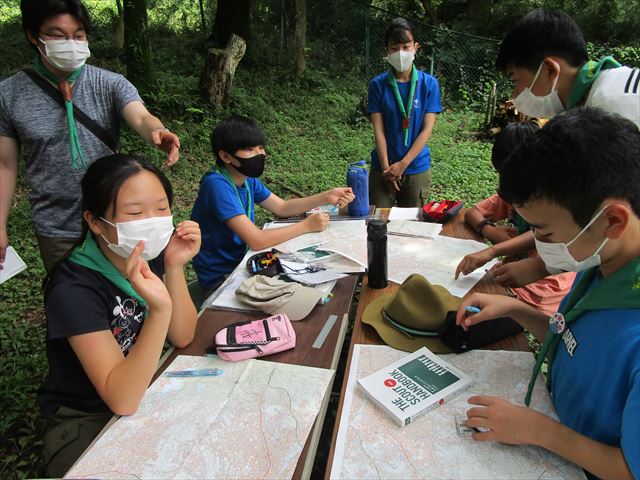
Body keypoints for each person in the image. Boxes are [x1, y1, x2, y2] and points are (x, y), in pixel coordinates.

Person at [456, 108, 640, 480]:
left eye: (546, 233)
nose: (538, 245)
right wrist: (518, 311)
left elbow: (629, 468)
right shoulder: (603, 266)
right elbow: (573, 344)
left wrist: (537, 430)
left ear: (613, 221)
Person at [37, 153, 199, 477]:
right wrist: (160, 309)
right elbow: (121, 400)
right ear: (95, 222)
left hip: (146, 389)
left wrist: (173, 264)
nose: (152, 220)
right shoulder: (73, 290)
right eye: (135, 212)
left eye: (161, 207)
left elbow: (182, 335)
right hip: (88, 416)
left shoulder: (143, 255)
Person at [0, 0, 181, 273]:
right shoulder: (9, 95)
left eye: (78, 35)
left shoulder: (109, 83)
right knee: (74, 297)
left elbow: (141, 116)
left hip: (116, 219)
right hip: (56, 225)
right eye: (58, 35)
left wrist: (156, 129)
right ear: (32, 36)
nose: (70, 42)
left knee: (133, 296)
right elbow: (5, 165)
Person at [489, 8, 640, 288]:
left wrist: (541, 264)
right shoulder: (601, 94)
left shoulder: (615, 108)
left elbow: (606, 216)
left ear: (549, 69)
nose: (514, 96)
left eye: (516, 80)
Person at [191, 115, 355, 296]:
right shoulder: (217, 184)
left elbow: (282, 207)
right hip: (222, 276)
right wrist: (306, 226)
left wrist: (326, 196)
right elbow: (257, 240)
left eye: (260, 147)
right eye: (250, 149)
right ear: (225, 156)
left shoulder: (246, 180)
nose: (260, 154)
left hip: (247, 263)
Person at [455, 121, 576, 316]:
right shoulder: (513, 192)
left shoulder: (555, 200)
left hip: (544, 286)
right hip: (521, 271)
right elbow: (472, 212)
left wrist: (495, 250)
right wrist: (489, 230)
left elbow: (542, 235)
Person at [367, 17, 442, 208]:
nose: (401, 52)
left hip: (416, 168)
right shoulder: (377, 85)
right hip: (382, 168)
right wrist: (386, 169)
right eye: (394, 47)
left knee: (412, 230)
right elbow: (379, 130)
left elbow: (427, 130)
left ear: (416, 47)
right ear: (387, 50)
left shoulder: (429, 84)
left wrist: (403, 164)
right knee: (378, 224)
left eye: (406, 46)